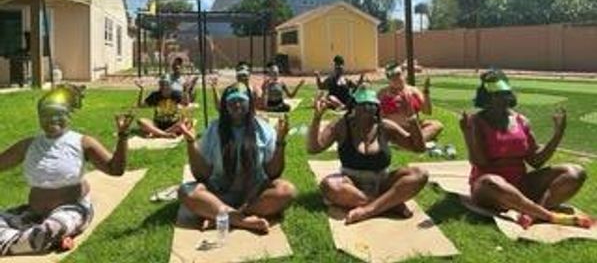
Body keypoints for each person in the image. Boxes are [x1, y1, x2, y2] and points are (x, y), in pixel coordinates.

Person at [0, 85, 133, 256]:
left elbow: (115, 169)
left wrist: (123, 136)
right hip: (34, 212)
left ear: (68, 116)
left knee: (47, 231)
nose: (52, 119)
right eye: (46, 115)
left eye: (58, 114)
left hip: (72, 209)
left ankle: (43, 237)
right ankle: (45, 239)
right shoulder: (28, 145)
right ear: (39, 118)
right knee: (39, 232)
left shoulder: (83, 142)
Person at [460, 69, 591, 228]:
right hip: (490, 189)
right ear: (486, 97)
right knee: (490, 181)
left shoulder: (521, 121)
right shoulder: (476, 121)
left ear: (509, 94)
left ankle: (532, 213)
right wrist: (468, 135)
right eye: (494, 95)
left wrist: (558, 134)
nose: (500, 99)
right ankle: (549, 216)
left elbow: (536, 161)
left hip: (521, 185)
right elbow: (480, 162)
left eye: (503, 94)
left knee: (575, 172)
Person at [178, 83, 296, 234]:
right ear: (225, 105)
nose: (237, 105)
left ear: (250, 103)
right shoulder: (214, 129)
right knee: (185, 191)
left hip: (254, 196)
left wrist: (280, 141)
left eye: (242, 100)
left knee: (287, 190)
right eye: (232, 101)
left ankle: (221, 216)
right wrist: (191, 142)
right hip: (219, 194)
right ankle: (243, 221)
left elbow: (273, 173)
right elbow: (202, 175)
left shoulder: (264, 129)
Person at [308, 86, 428, 224]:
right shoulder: (341, 125)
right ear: (353, 107)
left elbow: (419, 148)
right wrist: (317, 118)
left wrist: (412, 118)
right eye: (363, 105)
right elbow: (314, 148)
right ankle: (389, 204)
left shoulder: (385, 126)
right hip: (351, 185)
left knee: (419, 174)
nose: (368, 109)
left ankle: (367, 210)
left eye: (372, 106)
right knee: (329, 185)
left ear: (377, 109)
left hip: (383, 182)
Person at [377, 62, 443, 142]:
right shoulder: (382, 93)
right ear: (388, 79)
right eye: (392, 76)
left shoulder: (413, 91)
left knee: (437, 125)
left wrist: (426, 92)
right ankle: (416, 142)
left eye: (398, 74)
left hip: (413, 127)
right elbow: (377, 116)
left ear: (403, 74)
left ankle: (413, 141)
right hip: (394, 128)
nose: (396, 79)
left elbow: (427, 111)